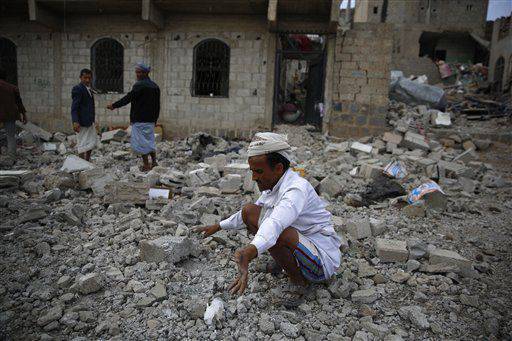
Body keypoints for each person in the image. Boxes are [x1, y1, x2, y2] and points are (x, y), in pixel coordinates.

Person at [196, 132, 342, 307]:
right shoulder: (272, 188)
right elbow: (248, 214)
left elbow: (275, 223)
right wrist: (218, 226)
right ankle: (286, 264)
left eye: (259, 171)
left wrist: (249, 251)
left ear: (279, 168)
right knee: (251, 212)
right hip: (304, 246)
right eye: (252, 171)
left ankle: (299, 283)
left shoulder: (295, 189)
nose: (254, 177)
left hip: (321, 261)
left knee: (280, 231)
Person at [107, 62, 160, 171]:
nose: (138, 74)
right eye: (137, 72)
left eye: (140, 72)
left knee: (141, 143)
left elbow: (128, 98)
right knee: (149, 141)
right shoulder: (155, 86)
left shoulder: (139, 85)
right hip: (150, 120)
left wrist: (114, 105)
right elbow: (157, 105)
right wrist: (155, 119)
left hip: (140, 119)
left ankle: (146, 165)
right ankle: (154, 162)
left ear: (146, 73)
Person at [0, 67, 27, 162]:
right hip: (10, 114)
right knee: (10, 136)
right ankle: (12, 157)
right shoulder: (12, 88)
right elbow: (19, 103)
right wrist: (24, 115)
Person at [71, 69, 97, 161]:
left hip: (89, 121)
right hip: (81, 122)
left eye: (89, 78)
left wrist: (93, 120)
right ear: (80, 78)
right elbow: (74, 107)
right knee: (82, 143)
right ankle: (81, 162)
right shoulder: (78, 89)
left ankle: (87, 160)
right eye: (85, 78)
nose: (87, 80)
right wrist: (75, 121)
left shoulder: (89, 89)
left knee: (91, 142)